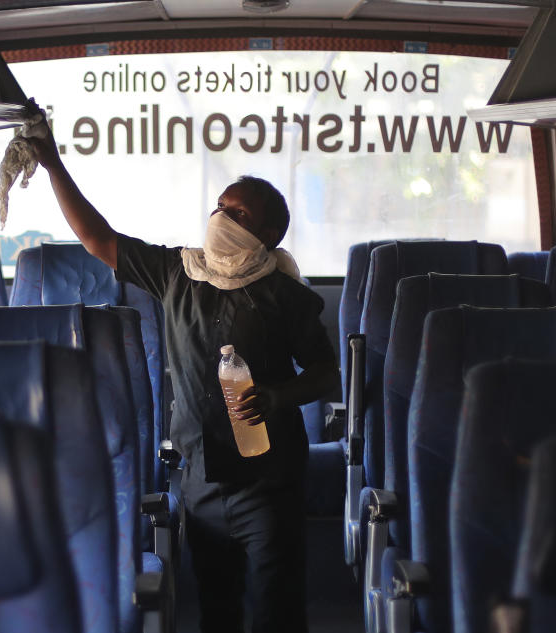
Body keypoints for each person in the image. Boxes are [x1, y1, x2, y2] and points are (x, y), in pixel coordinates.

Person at [27, 119, 339, 633]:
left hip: (270, 482)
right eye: (219, 206)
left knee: (276, 614)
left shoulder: (288, 297)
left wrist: (280, 395)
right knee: (216, 612)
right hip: (200, 480)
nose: (221, 216)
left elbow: (326, 374)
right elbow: (96, 237)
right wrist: (54, 164)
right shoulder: (177, 272)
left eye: (237, 213)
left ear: (267, 236)